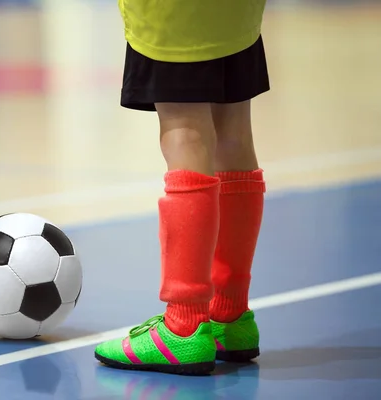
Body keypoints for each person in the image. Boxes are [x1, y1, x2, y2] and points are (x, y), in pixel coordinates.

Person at [94, 0, 269, 375]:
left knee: (184, 131)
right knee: (234, 132)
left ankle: (184, 324)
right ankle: (230, 314)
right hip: (236, 12)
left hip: (175, 10)